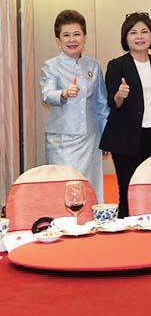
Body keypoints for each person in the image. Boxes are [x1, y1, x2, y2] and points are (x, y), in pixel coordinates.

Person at [100, 13, 151, 217]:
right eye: (133, 32)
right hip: (126, 138)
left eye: (144, 31)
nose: (139, 36)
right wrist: (119, 95)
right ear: (126, 37)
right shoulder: (117, 65)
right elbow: (112, 102)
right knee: (128, 189)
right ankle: (125, 228)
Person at [40, 10, 109, 201]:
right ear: (58, 39)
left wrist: (106, 138)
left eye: (77, 34)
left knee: (90, 187)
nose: (72, 40)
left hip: (90, 139)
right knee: (64, 187)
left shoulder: (94, 66)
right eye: (66, 35)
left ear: (84, 37)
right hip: (62, 140)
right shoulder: (51, 66)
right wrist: (63, 93)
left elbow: (101, 105)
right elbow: (47, 95)